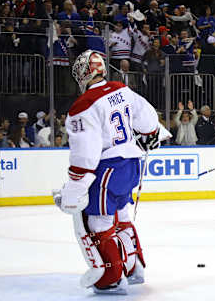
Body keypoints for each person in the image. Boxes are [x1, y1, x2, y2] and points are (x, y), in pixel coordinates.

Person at [53, 50, 161, 295]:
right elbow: (149, 120)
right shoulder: (121, 89)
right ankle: (134, 267)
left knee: (98, 222)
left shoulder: (82, 106)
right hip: (131, 165)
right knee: (122, 215)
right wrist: (150, 135)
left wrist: (75, 188)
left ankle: (111, 279)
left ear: (82, 74)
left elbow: (85, 155)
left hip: (107, 169)